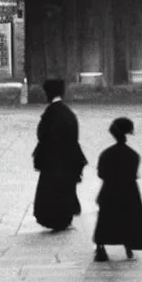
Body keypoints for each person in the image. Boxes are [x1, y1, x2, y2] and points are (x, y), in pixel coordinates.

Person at [93, 117, 142, 262]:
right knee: (126, 220)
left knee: (105, 220)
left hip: (108, 191)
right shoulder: (133, 155)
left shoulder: (106, 154)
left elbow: (101, 174)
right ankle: (128, 244)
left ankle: (101, 247)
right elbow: (133, 174)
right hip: (129, 193)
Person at [33, 79, 87, 231]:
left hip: (51, 161)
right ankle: (64, 219)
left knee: (50, 192)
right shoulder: (68, 113)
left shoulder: (50, 113)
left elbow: (42, 135)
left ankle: (54, 220)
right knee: (65, 190)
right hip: (67, 160)